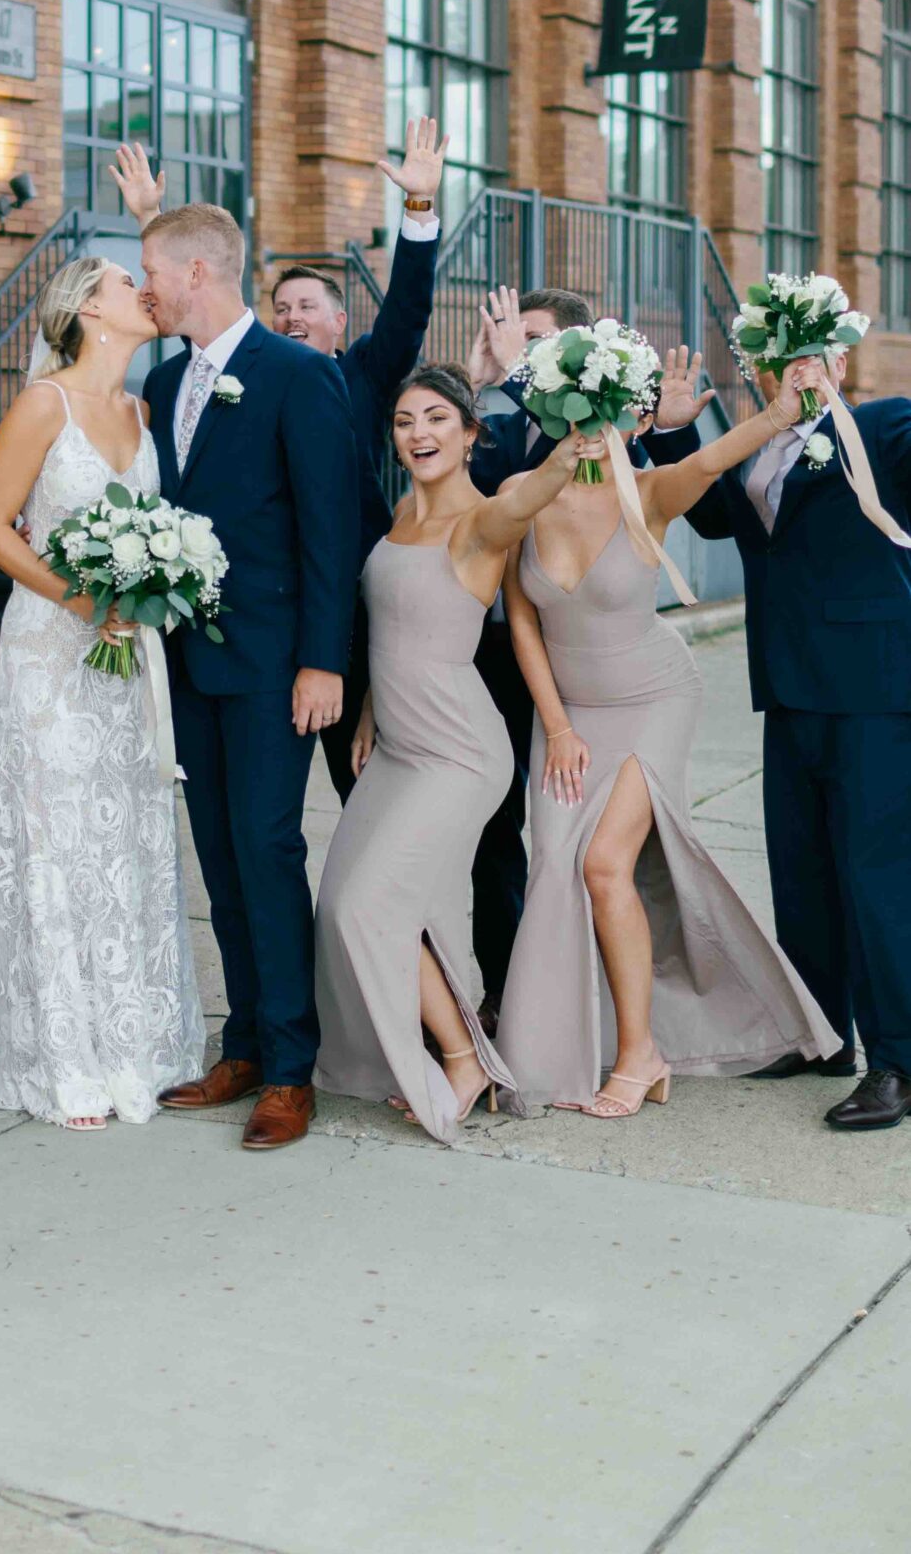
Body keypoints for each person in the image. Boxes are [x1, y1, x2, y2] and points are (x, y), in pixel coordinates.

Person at [496, 357, 840, 1117]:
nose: (594, 430)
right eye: (578, 414)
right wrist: (554, 725)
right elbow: (520, 618)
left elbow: (716, 456)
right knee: (556, 865)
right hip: (569, 717)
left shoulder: (649, 493)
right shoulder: (523, 497)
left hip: (653, 696)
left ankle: (637, 1052)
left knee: (602, 864)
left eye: (610, 413)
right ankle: (561, 1044)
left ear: (634, 419)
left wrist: (782, 410)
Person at [0, 257, 205, 1130]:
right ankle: (60, 1053)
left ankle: (133, 1044)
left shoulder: (142, 410)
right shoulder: (41, 404)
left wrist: (143, 595)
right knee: (57, 834)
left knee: (126, 830)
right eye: (123, 278)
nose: (145, 288)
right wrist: (80, 596)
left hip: (127, 653)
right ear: (85, 307)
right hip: (50, 652)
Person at [313, 367, 589, 1144]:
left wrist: (571, 447)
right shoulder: (402, 508)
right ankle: (416, 1041)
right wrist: (368, 708)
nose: (417, 433)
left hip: (459, 751)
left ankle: (465, 1059)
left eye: (437, 418)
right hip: (396, 741)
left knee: (374, 906)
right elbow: (395, 620)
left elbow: (524, 496)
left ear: (472, 434)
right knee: (340, 904)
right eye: (403, 421)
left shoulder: (481, 521)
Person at [139, 200, 358, 1153]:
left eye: (150, 267)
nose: (142, 285)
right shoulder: (158, 383)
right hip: (184, 663)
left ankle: (289, 1069)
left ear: (195, 271)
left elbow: (331, 527)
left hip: (274, 666)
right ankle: (242, 1039)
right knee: (219, 857)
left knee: (268, 852)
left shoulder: (297, 374)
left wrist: (324, 660)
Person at [683, 340, 911, 1131]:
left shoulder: (884, 429)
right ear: (756, 373)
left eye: (809, 357)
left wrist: (833, 409)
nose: (793, 373)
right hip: (785, 687)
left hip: (874, 691)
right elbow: (710, 519)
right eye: (776, 361)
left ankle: (897, 1060)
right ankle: (821, 1038)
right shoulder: (754, 451)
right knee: (802, 872)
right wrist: (678, 430)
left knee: (876, 880)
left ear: (838, 363)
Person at [462, 285, 704, 1024]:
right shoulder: (512, 428)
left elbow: (713, 507)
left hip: (621, 686)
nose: (519, 347)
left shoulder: (621, 439)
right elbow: (476, 491)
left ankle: (634, 1012)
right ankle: (524, 1003)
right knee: (513, 848)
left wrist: (666, 429)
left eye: (533, 339)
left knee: (608, 863)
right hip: (517, 675)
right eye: (515, 339)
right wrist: (489, 387)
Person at [265, 118, 446, 803]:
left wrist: (418, 209)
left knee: (366, 786)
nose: (290, 317)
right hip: (274, 612)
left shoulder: (364, 374)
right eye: (279, 308)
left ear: (338, 322)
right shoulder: (252, 385)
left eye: (306, 306)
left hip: (356, 610)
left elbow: (405, 310)